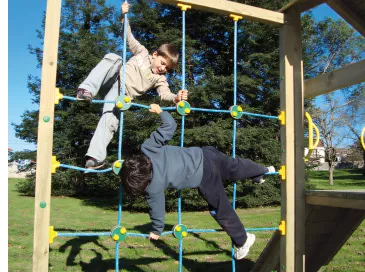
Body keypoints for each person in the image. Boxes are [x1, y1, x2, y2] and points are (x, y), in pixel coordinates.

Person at [119, 104, 276, 260]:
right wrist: (160, 111)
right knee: (235, 167)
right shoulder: (148, 148)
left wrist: (157, 230)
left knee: (219, 207)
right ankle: (262, 170)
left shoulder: (152, 187)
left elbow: (157, 210)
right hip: (206, 154)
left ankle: (243, 240)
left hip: (204, 176)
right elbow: (169, 125)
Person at [76, 2, 188, 169]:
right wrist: (124, 17)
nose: (163, 68)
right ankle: (86, 90)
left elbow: (165, 94)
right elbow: (128, 37)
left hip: (121, 94)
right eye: (163, 63)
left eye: (167, 68)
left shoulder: (160, 79)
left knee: (110, 117)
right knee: (114, 58)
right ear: (155, 54)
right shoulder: (142, 53)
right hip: (112, 78)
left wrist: (176, 98)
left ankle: (94, 158)